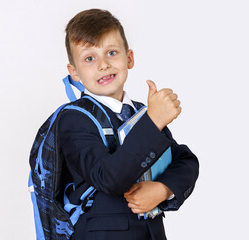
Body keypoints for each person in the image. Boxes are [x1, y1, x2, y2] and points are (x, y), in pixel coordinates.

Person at [57, 8, 199, 240]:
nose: (103, 65)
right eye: (89, 58)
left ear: (129, 58)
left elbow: (186, 161)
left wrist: (163, 189)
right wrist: (154, 122)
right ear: (74, 72)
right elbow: (108, 178)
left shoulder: (142, 112)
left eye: (111, 52)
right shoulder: (74, 119)